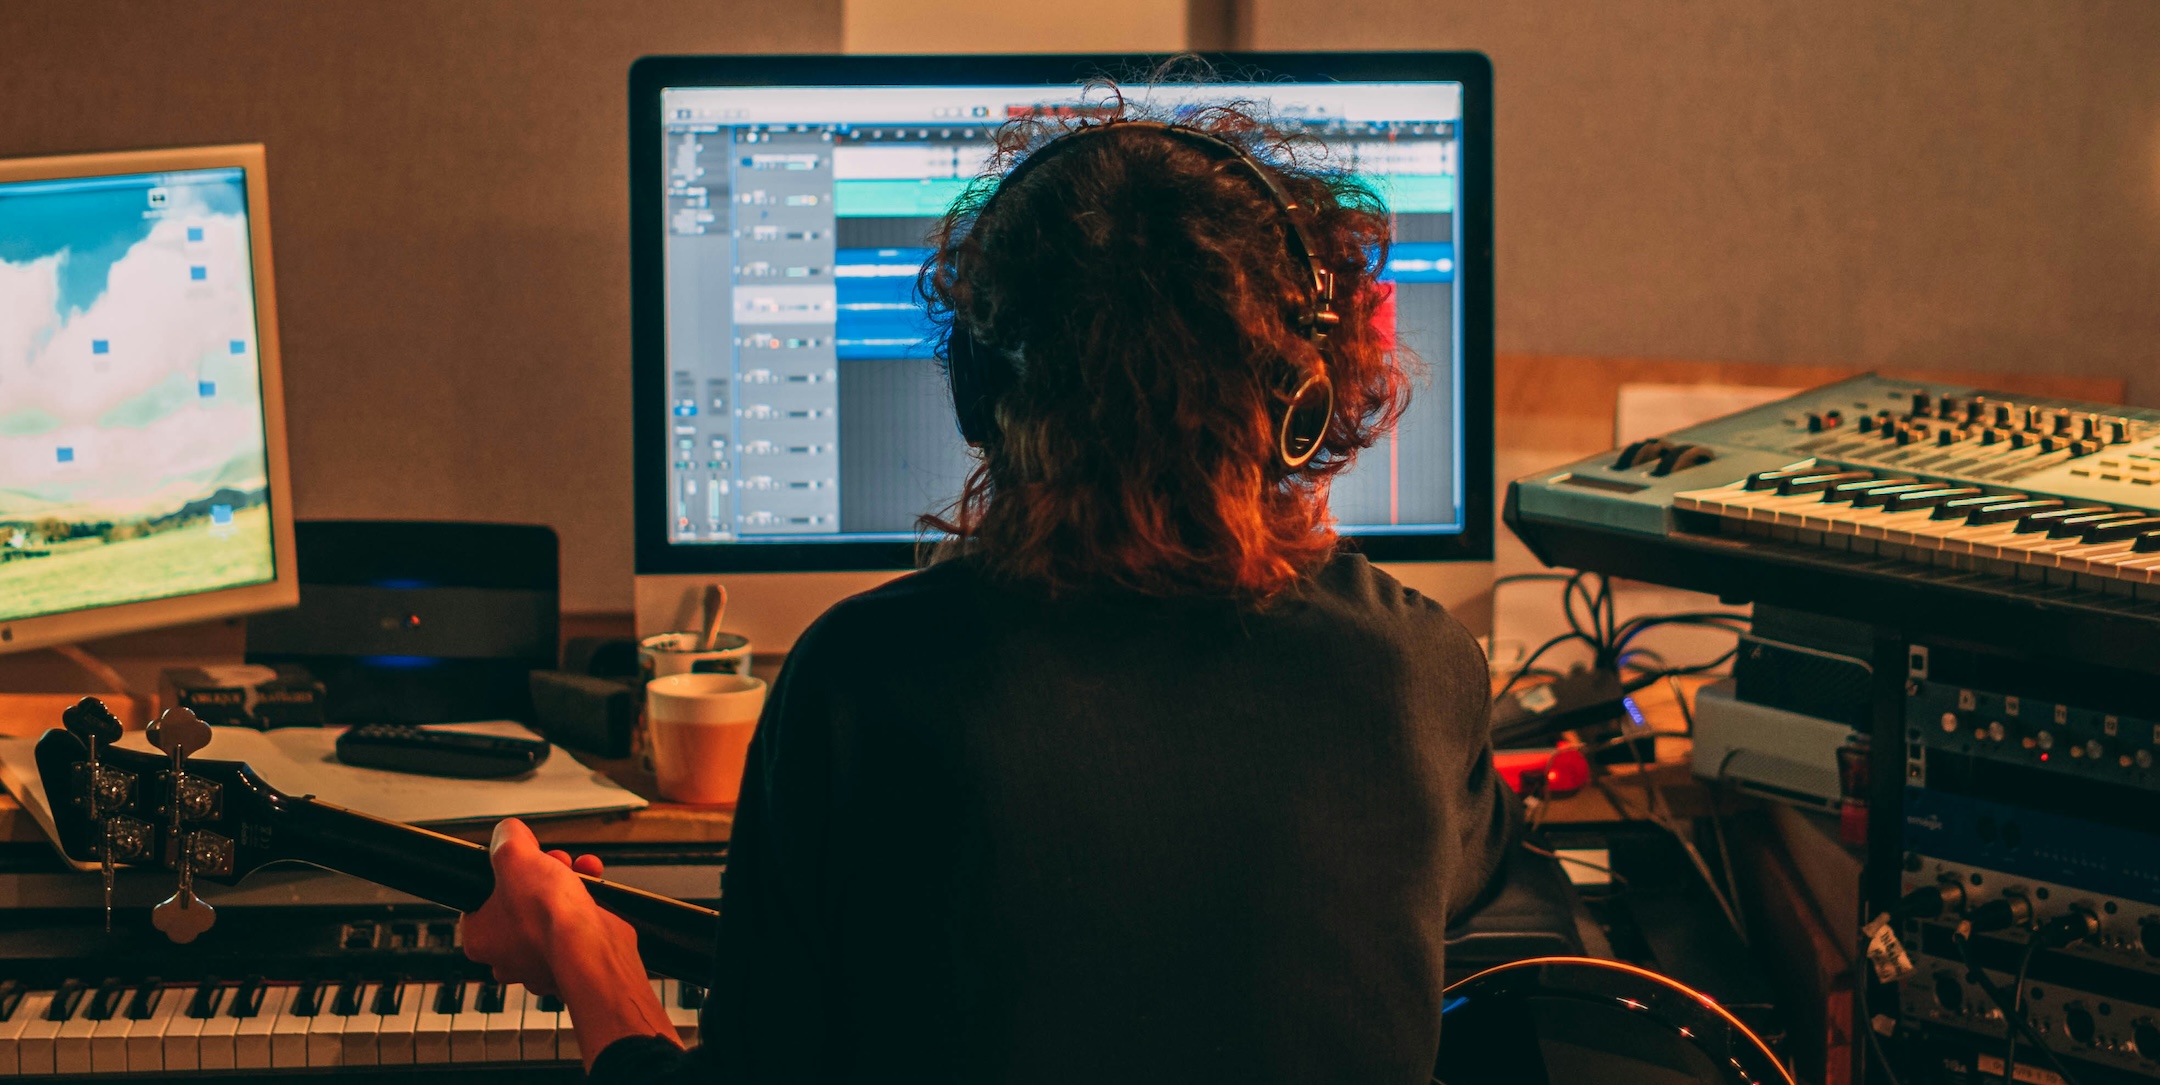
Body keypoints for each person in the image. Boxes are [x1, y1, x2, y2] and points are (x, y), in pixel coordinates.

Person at [461, 90, 1518, 1084]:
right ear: (1304, 400)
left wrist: (580, 946)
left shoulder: (861, 683)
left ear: (975, 390)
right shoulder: (1415, 669)